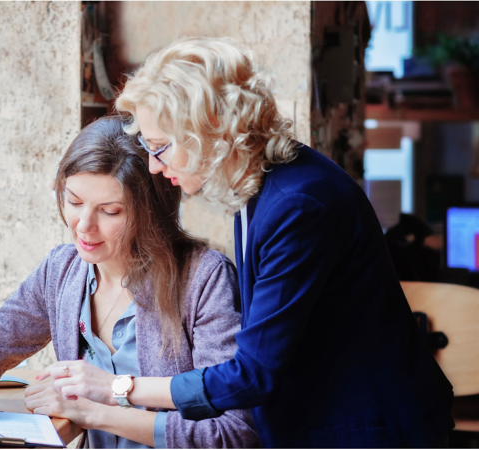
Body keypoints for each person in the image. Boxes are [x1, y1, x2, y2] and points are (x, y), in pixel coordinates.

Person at [41, 37, 455, 448]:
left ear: (210, 130)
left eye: (161, 148)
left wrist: (117, 387)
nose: (153, 165)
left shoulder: (298, 206)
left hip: (369, 432)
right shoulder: (266, 185)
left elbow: (253, 374)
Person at [0, 116, 258, 448]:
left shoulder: (204, 279)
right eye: (73, 202)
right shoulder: (61, 270)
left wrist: (95, 412)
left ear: (150, 211)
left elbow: (233, 433)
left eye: (110, 211)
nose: (84, 225)